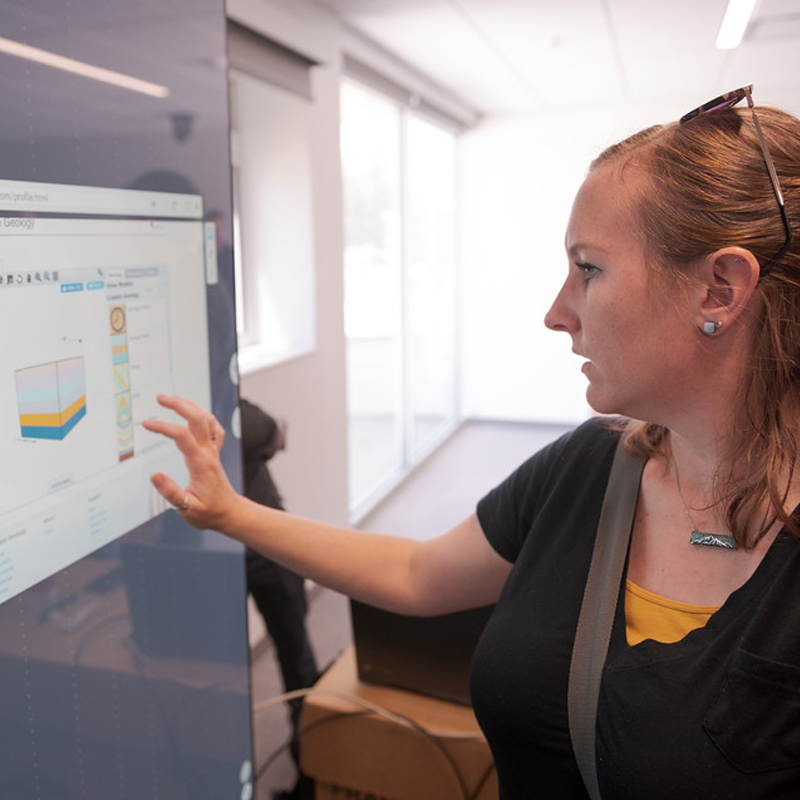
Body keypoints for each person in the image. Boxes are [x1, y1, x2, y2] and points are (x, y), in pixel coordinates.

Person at [143, 86, 800, 799]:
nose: (557, 313)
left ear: (720, 290)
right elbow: (418, 575)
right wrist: (229, 513)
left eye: (589, 268)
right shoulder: (588, 469)